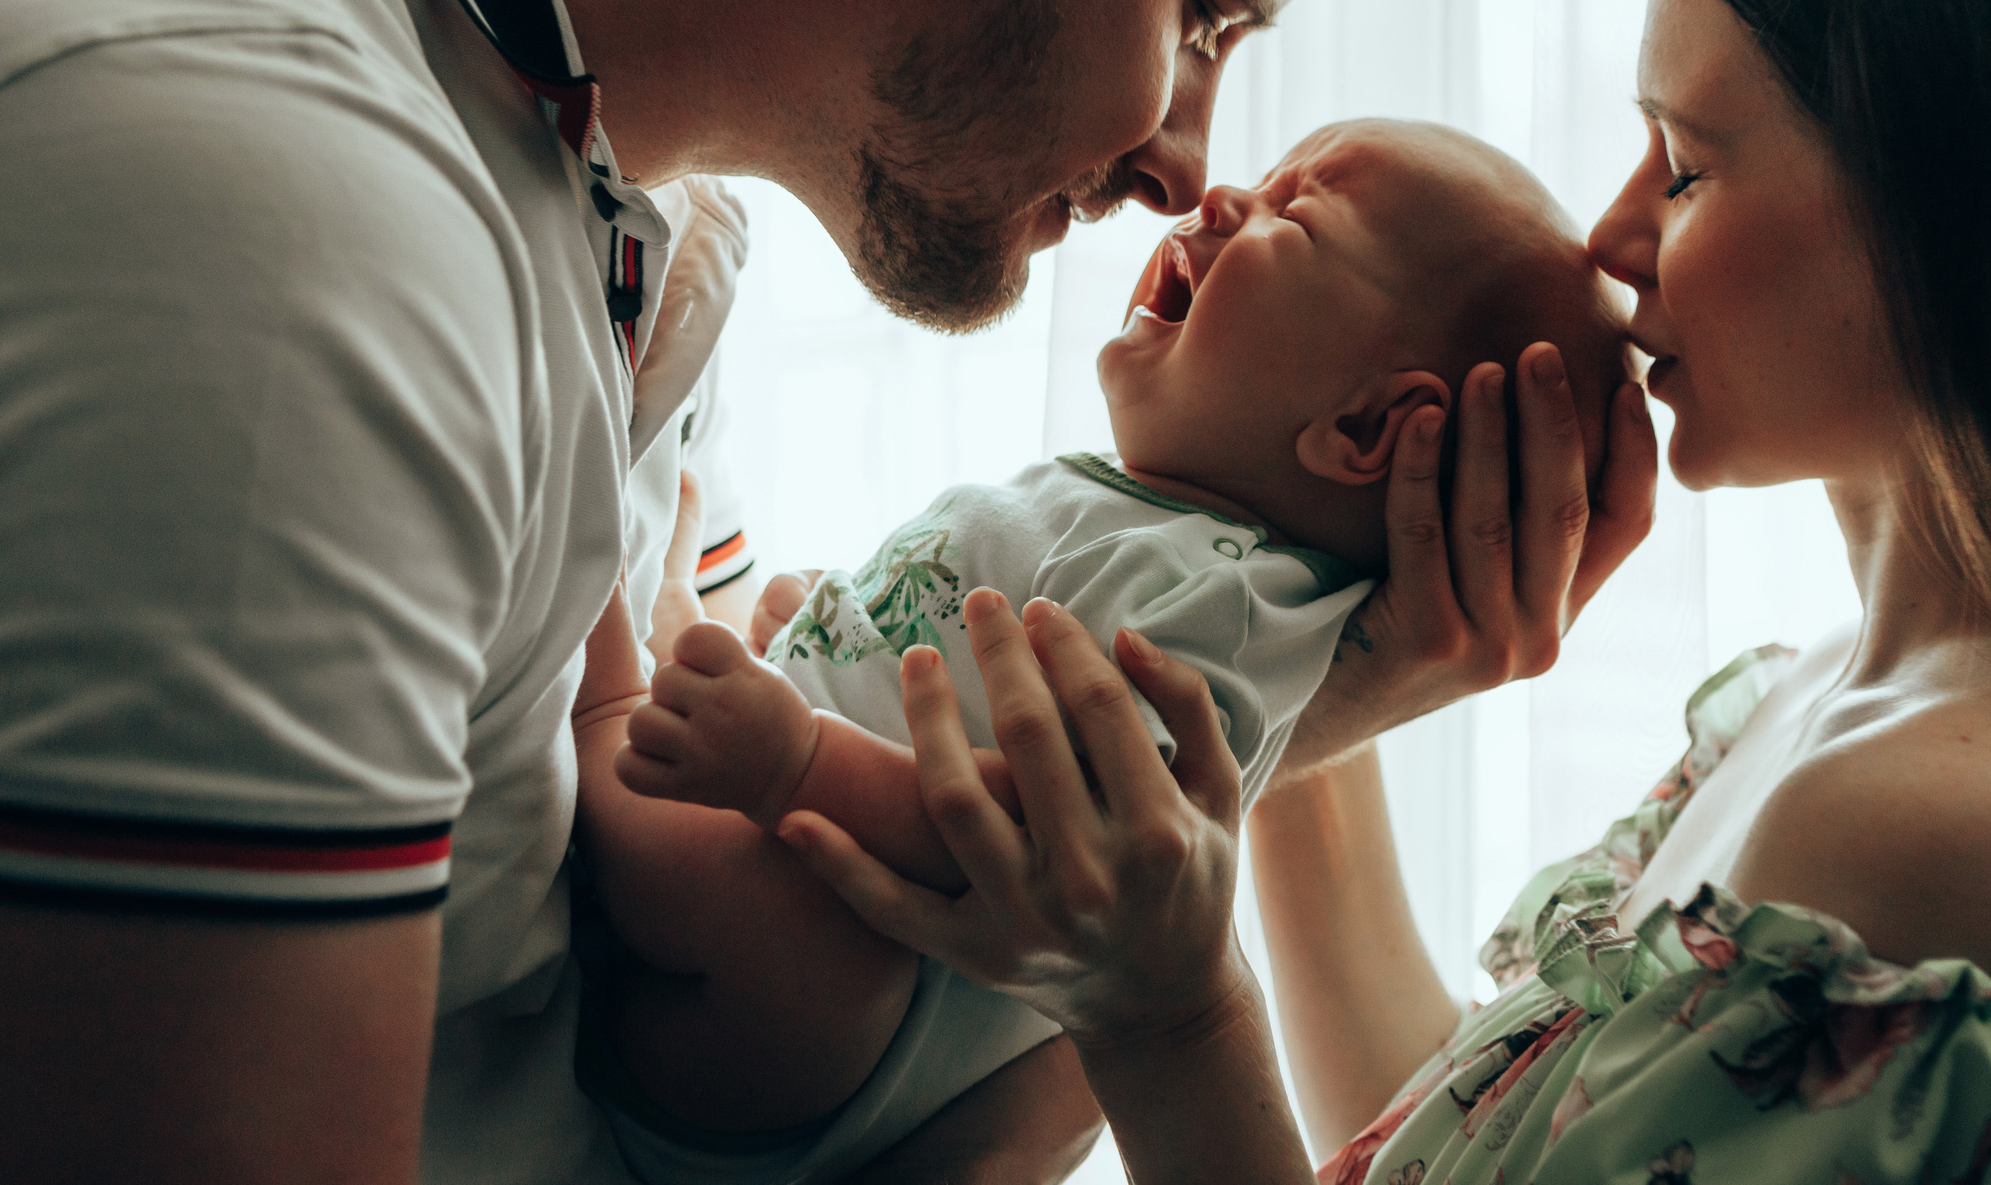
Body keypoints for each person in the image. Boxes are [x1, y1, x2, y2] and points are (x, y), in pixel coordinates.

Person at [0, 0, 1609, 1179]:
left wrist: (1322, 687)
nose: (1185, 165)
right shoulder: (269, 230)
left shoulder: (621, 208)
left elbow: (779, 938)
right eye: (1201, 14)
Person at [774, 0, 1991, 1185]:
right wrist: (1324, 663)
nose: (1617, 240)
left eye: (1689, 165)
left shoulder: (1960, 838)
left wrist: (1162, 1005)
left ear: (1972, 223)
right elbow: (1447, 1139)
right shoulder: (1817, 699)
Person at [559, 119, 1632, 1179]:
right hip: (789, 970)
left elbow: (1047, 849)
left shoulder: (1218, 608)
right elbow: (952, 637)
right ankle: (660, 630)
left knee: (804, 927)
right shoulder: (1149, 524)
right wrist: (835, 627)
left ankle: (601, 703)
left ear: (1361, 433)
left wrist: (799, 757)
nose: (1217, 196)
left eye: (1294, 217)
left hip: (797, 1052)